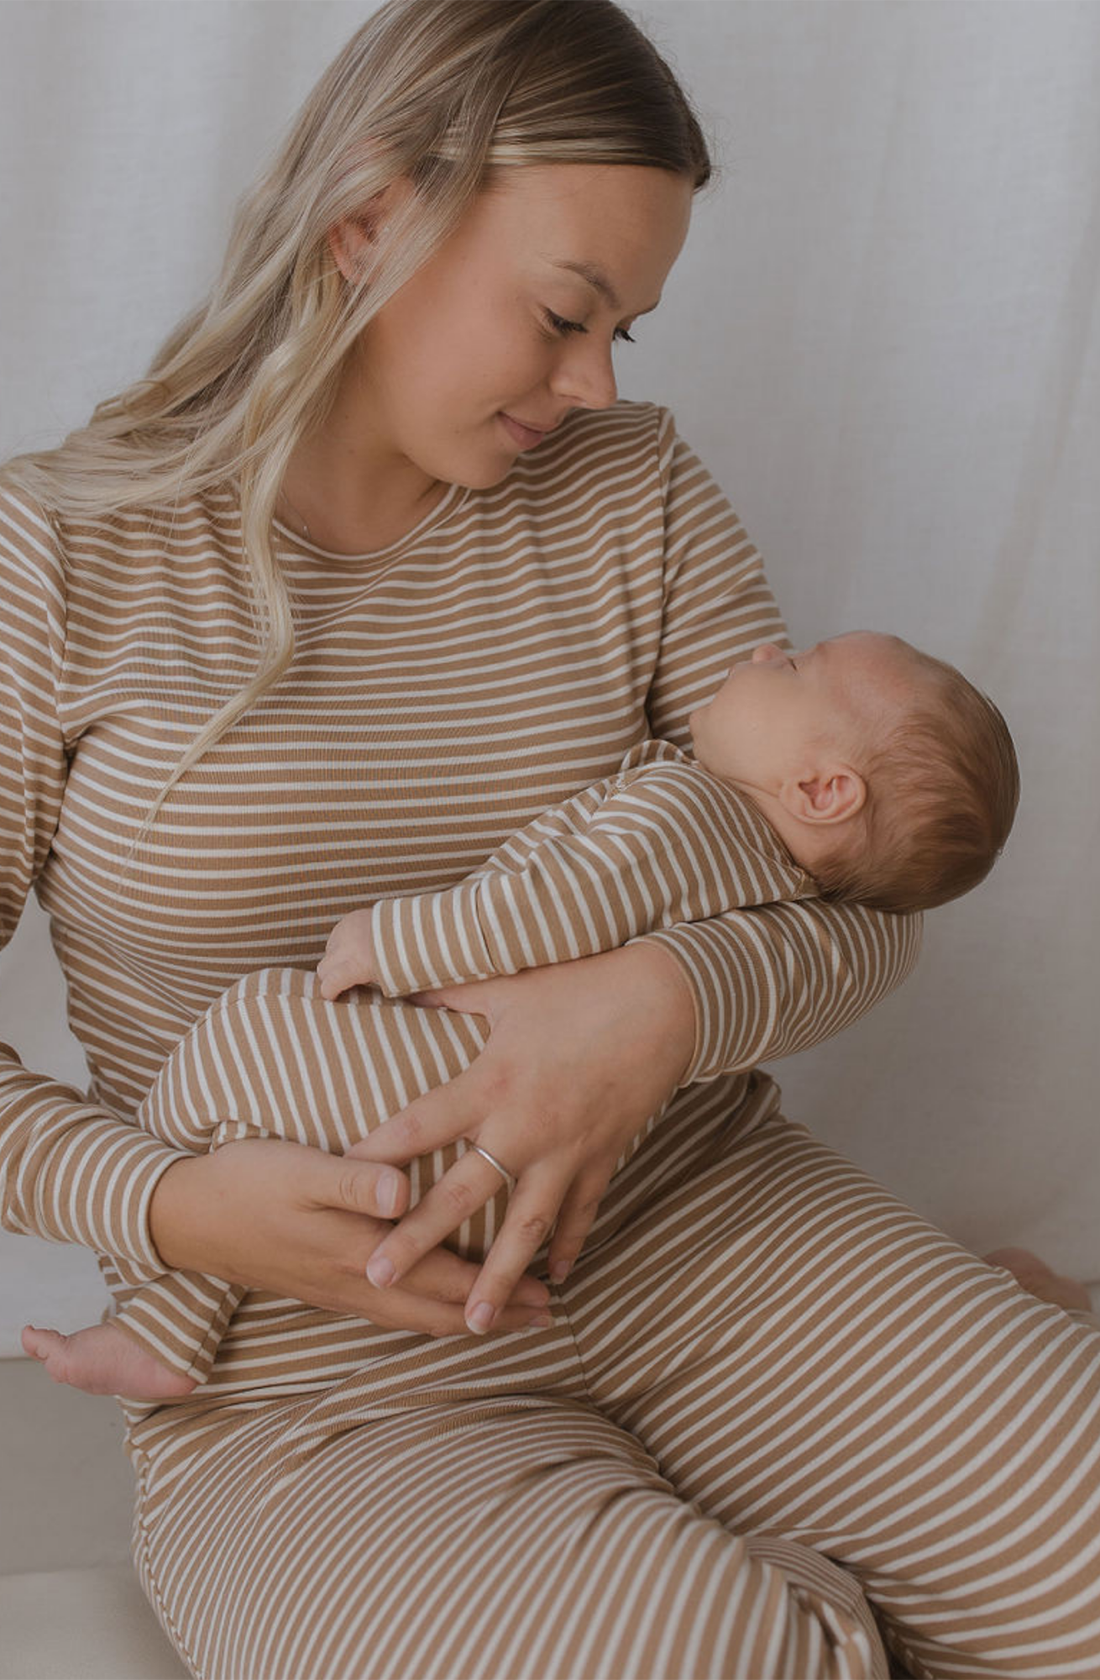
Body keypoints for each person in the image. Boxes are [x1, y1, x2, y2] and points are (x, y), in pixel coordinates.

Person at [2, 3, 1098, 1677]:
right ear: (368, 220)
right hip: (319, 1364)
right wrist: (171, 1209)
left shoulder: (631, 489)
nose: (592, 384)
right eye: (565, 314)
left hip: (702, 1222)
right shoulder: (55, 563)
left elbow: (868, 886)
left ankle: (953, 1390)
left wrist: (666, 1001)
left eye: (626, 335)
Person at [24, 627, 1025, 1402]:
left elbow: (545, 908)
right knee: (237, 1149)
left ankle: (163, 1321)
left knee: (240, 1039)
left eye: (793, 663)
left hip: (449, 1096)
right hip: (541, 1171)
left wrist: (394, 940)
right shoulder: (781, 883)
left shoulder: (687, 813)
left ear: (818, 787)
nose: (762, 649)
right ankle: (176, 1313)